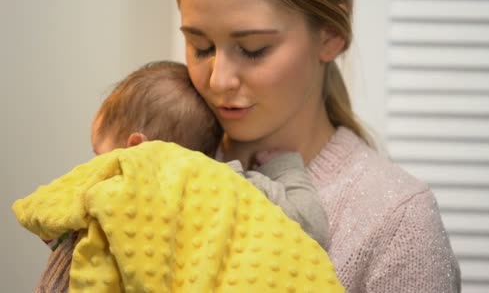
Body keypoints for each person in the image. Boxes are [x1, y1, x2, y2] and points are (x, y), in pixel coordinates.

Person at [173, 0, 461, 292]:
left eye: (253, 48)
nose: (219, 80)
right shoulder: (164, 169)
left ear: (330, 36)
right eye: (201, 46)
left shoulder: (397, 221)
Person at [34, 60, 330, 292]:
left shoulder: (108, 199)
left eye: (100, 155)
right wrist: (285, 167)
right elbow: (312, 224)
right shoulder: (236, 188)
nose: (95, 168)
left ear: (136, 148)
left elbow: (58, 247)